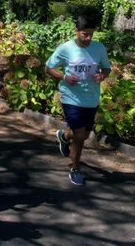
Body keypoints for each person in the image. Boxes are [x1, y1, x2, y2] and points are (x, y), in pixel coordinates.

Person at [45, 13, 111, 186]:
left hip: (91, 98)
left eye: (91, 34)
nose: (88, 38)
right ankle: (75, 168)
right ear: (77, 31)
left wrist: (102, 75)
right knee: (80, 134)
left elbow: (106, 68)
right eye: (85, 34)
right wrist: (64, 78)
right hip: (71, 97)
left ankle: (64, 137)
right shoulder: (65, 48)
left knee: (84, 134)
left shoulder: (99, 48)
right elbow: (48, 68)